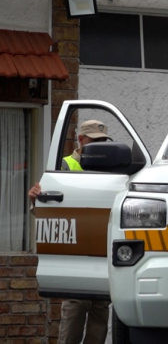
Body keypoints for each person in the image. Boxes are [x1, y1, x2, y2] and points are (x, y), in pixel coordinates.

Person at [28, 119, 113, 344]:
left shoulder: (112, 167)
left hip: (101, 248)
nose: (100, 146)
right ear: (80, 140)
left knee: (101, 307)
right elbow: (48, 210)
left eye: (104, 141)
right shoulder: (64, 166)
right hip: (77, 248)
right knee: (76, 304)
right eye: (95, 141)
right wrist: (36, 201)